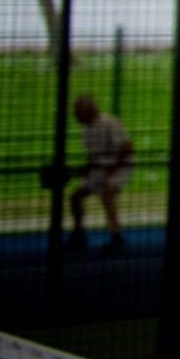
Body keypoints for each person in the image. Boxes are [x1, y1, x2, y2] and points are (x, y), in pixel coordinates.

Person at [67, 95, 131, 253]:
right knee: (75, 196)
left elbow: (127, 147)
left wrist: (113, 170)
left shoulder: (109, 122)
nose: (75, 116)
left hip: (120, 167)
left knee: (106, 193)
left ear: (88, 111)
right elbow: (93, 156)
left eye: (78, 112)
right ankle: (78, 233)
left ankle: (117, 237)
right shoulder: (86, 130)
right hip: (101, 169)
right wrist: (85, 170)